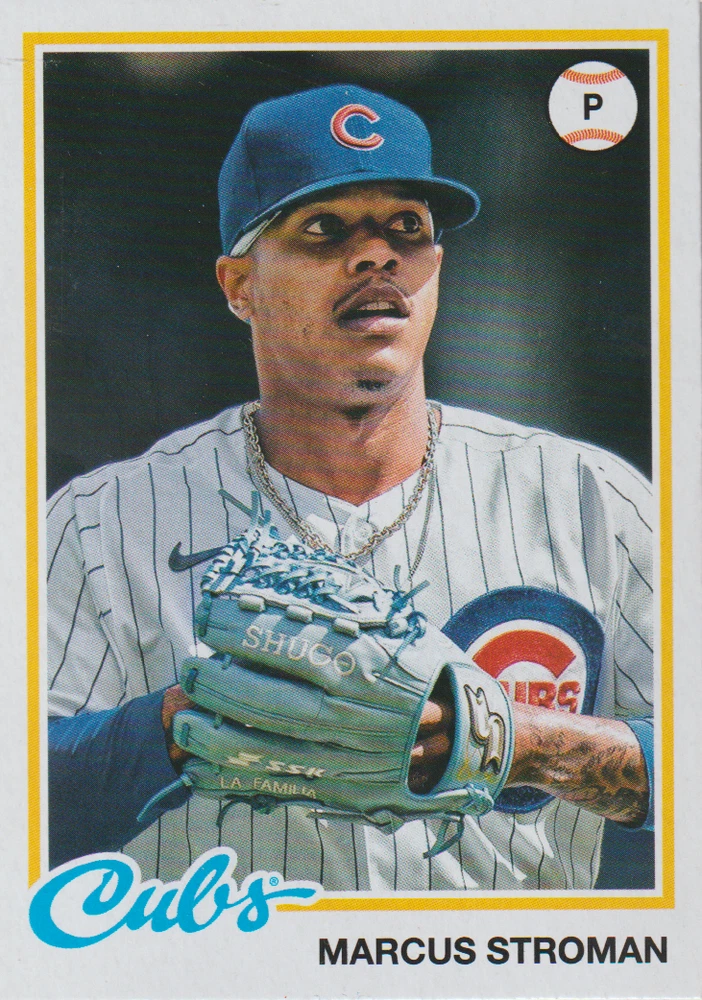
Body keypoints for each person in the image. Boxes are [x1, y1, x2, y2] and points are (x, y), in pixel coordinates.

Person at [47, 83, 653, 892]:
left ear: (437, 265)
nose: (377, 257)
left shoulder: (591, 500)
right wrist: (175, 729)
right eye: (324, 229)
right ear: (238, 285)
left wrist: (522, 742)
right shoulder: (101, 523)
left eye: (407, 228)